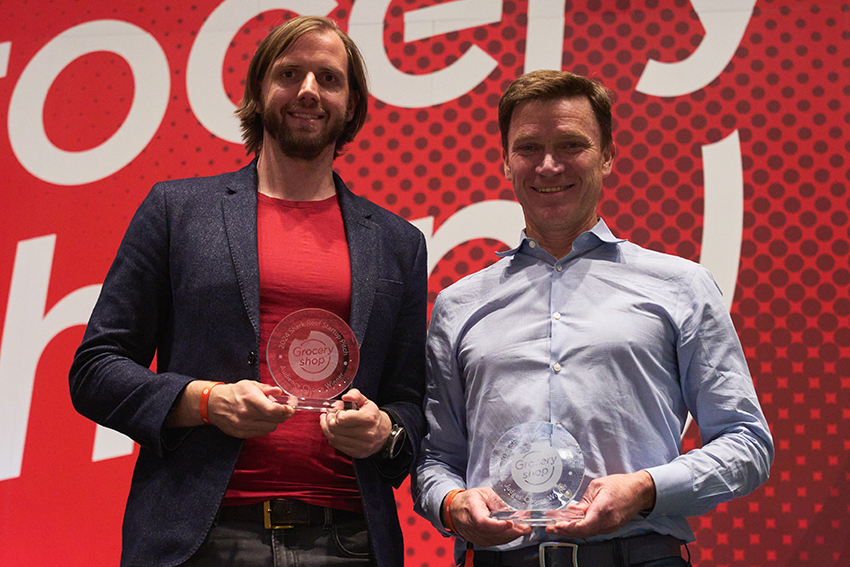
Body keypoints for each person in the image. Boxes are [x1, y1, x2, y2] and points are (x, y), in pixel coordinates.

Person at [69, 16, 427, 567]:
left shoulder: (398, 243)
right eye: (289, 73)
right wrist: (206, 402)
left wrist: (384, 430)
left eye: (328, 79)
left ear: (351, 106)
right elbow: (95, 369)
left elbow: (410, 402)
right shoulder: (177, 212)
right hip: (200, 536)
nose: (308, 90)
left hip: (348, 539)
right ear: (259, 92)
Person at [413, 69, 773, 567]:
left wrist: (645, 490)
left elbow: (747, 443)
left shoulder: (680, 285)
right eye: (528, 148)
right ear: (505, 161)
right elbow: (436, 460)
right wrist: (452, 506)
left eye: (571, 145)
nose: (548, 165)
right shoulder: (458, 304)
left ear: (606, 155)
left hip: (641, 555)